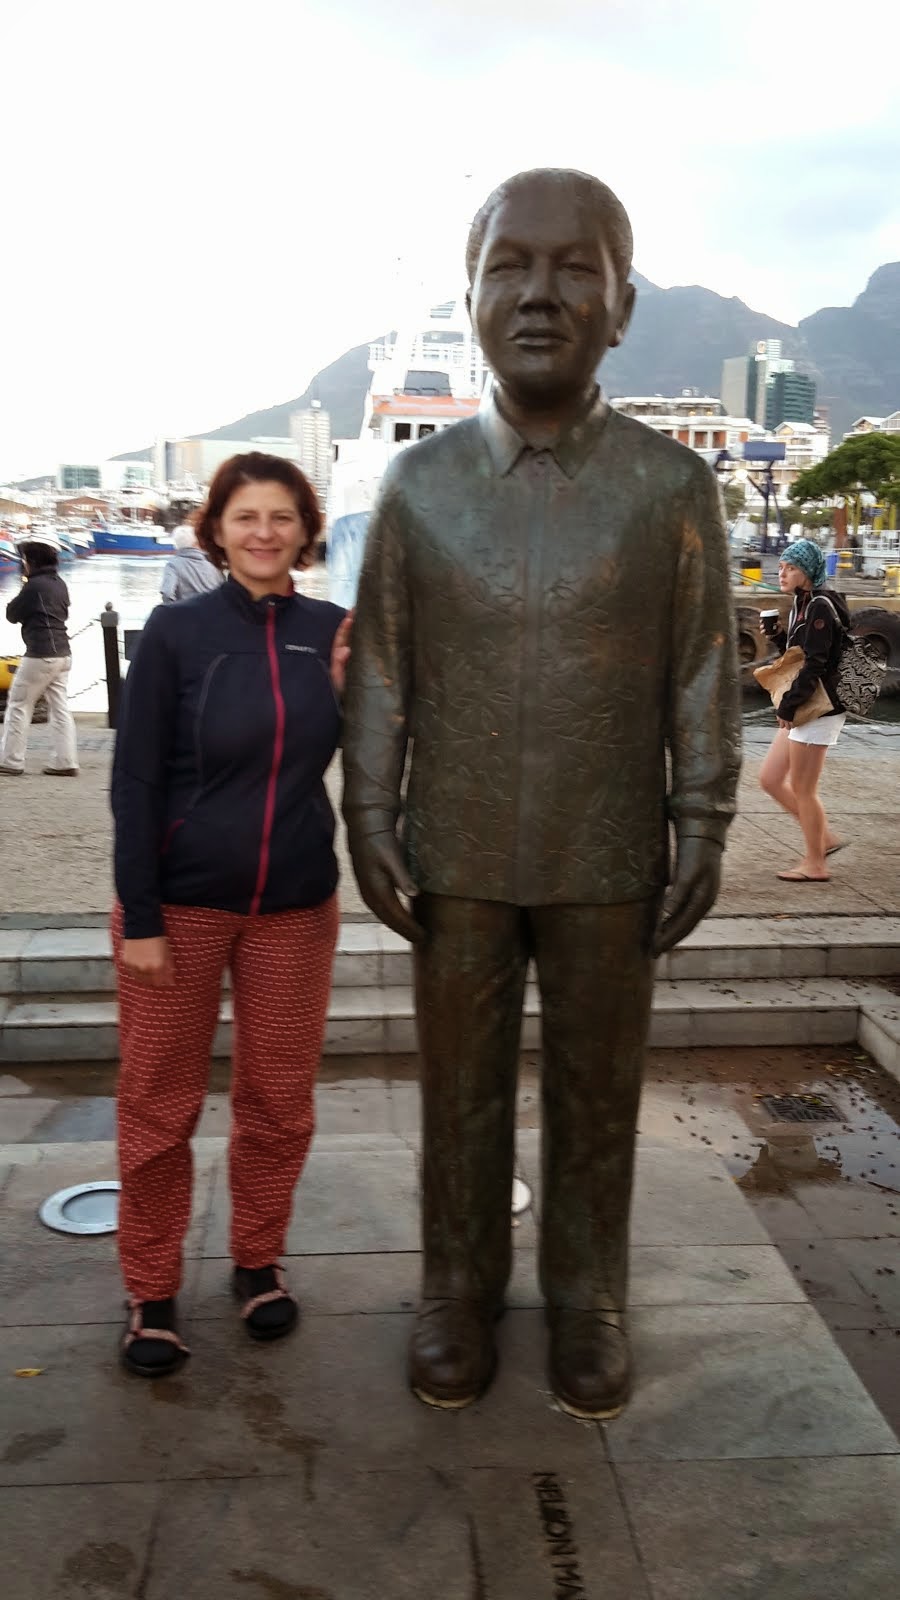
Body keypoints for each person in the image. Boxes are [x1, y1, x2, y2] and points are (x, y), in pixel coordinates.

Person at [342, 168, 741, 1420]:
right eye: (509, 265)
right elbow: (384, 666)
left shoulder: (672, 488)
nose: (538, 293)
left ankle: (588, 1296)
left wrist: (703, 818)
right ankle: (456, 1289)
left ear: (622, 308)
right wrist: (368, 811)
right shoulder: (419, 485)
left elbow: (702, 670)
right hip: (454, 847)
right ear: (470, 295)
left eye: (576, 268)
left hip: (607, 847)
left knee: (597, 1090)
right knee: (457, 1090)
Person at [111, 451, 352, 1378]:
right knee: (158, 1106)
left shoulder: (333, 632)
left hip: (294, 906)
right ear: (215, 529)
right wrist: (140, 915)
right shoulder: (177, 632)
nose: (264, 532)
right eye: (246, 516)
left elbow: (382, 747)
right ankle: (150, 1288)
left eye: (282, 516)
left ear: (305, 531)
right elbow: (136, 779)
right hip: (179, 906)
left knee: (279, 1104)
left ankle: (257, 1259)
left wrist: (356, 690)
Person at [757, 538, 851, 883]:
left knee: (803, 787)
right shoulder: (803, 602)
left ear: (808, 571)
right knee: (770, 779)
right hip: (806, 704)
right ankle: (823, 837)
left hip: (819, 708)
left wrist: (788, 705)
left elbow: (815, 664)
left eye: (791, 568)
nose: (782, 573)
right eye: (781, 567)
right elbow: (799, 652)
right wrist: (777, 636)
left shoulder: (821, 606)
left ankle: (816, 864)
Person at [0, 533, 79, 777]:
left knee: (19, 704)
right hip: (63, 653)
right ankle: (65, 761)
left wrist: (24, 583)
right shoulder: (59, 583)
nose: (22, 563)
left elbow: (12, 614)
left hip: (40, 653)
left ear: (31, 561)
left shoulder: (33, 586)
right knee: (60, 707)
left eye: (24, 559)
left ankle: (12, 761)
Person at [159, 516, 223, 603]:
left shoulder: (173, 565)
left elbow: (167, 593)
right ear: (196, 543)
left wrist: (173, 609)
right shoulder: (213, 566)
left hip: (185, 610)